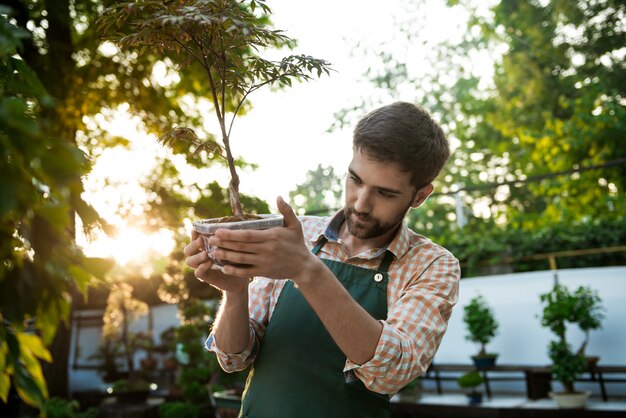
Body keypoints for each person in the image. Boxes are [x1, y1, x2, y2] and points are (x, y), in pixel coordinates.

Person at [184, 102, 460, 418]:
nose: (361, 203)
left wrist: (307, 270)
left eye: (384, 193)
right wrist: (234, 292)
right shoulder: (296, 235)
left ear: (420, 195)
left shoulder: (430, 265)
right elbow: (235, 358)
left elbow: (390, 373)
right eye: (355, 179)